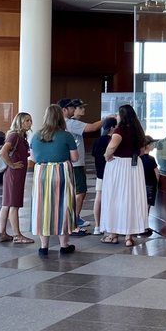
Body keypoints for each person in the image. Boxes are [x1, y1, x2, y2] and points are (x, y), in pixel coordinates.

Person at [30, 104, 79, 257]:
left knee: (42, 207)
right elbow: (75, 158)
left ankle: (44, 247)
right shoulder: (66, 135)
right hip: (61, 172)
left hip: (41, 173)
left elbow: (33, 157)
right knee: (63, 206)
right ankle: (64, 245)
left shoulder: (36, 135)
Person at [99, 104, 147, 248]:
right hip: (134, 166)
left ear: (122, 116)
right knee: (132, 198)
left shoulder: (119, 131)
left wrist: (107, 156)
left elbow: (111, 148)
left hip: (118, 166)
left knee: (115, 197)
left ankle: (113, 234)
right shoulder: (138, 130)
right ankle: (129, 236)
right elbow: (142, 151)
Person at [58, 98, 107, 234]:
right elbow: (91, 128)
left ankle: (73, 219)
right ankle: (73, 221)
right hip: (75, 163)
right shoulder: (70, 123)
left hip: (72, 163)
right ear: (64, 110)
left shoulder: (67, 123)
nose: (74, 110)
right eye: (72, 108)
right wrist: (107, 119)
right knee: (80, 191)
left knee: (75, 191)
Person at [0, 112, 34, 244]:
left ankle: (2, 233)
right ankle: (17, 235)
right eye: (26, 121)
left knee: (7, 203)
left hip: (14, 174)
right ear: (19, 122)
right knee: (14, 204)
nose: (29, 123)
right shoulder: (14, 136)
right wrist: (11, 164)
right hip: (14, 174)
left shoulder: (20, 137)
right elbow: (3, 151)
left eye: (30, 120)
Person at [90, 116, 117, 236]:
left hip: (100, 173)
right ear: (112, 127)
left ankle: (97, 226)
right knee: (113, 199)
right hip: (112, 173)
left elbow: (94, 155)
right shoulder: (113, 141)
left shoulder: (98, 140)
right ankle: (112, 226)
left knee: (98, 198)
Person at [139, 136, 158, 238]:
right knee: (147, 206)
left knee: (140, 205)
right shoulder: (151, 159)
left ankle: (140, 226)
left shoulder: (139, 159)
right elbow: (156, 173)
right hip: (150, 185)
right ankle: (144, 226)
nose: (153, 146)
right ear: (147, 146)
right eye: (152, 144)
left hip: (140, 184)